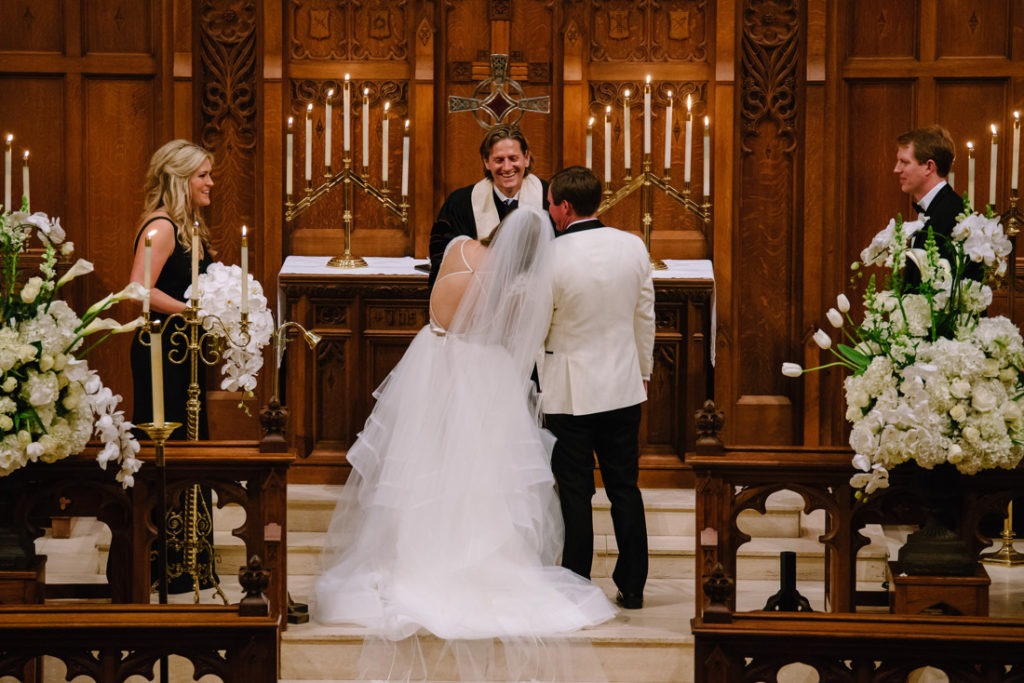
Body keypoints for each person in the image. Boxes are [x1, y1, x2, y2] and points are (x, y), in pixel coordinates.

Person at [313, 206, 616, 676]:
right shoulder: (516, 287)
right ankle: (473, 563)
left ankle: (409, 560)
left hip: (430, 360)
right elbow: (514, 342)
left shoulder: (455, 246)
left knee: (420, 466)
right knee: (481, 475)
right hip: (480, 373)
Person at [540, 166, 655, 610]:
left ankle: (576, 583)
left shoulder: (551, 255)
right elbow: (644, 317)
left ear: (565, 207)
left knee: (576, 491)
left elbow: (540, 324)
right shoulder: (633, 245)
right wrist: (642, 370)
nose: (549, 212)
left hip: (569, 389)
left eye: (551, 204)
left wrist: (534, 371)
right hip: (624, 385)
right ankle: (633, 585)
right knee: (625, 486)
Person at [127, 139, 217, 594]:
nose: (209, 183)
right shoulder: (161, 228)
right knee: (170, 447)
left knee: (189, 444)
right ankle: (163, 565)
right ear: (179, 178)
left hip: (182, 350)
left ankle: (189, 562)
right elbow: (137, 290)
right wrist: (191, 311)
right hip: (161, 349)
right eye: (202, 175)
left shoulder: (188, 226)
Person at [427, 123, 549, 289]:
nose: (507, 167)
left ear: (526, 158)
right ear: (486, 162)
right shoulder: (460, 203)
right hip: (478, 302)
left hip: (537, 301)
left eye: (513, 158)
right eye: (499, 160)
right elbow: (444, 259)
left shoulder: (549, 198)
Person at [893, 125, 976, 284]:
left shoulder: (954, 214)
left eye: (904, 162)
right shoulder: (936, 208)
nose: (897, 169)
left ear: (929, 167)